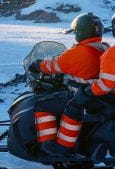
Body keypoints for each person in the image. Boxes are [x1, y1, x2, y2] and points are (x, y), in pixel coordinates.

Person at [43, 7, 115, 157]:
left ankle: (64, 147)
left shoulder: (114, 52)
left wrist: (86, 91)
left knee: (74, 105)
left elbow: (107, 84)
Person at [30, 13, 107, 147]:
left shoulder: (77, 53)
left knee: (42, 105)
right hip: (102, 96)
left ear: (81, 32)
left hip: (81, 95)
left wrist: (37, 65)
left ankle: (49, 144)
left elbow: (52, 66)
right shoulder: (106, 49)